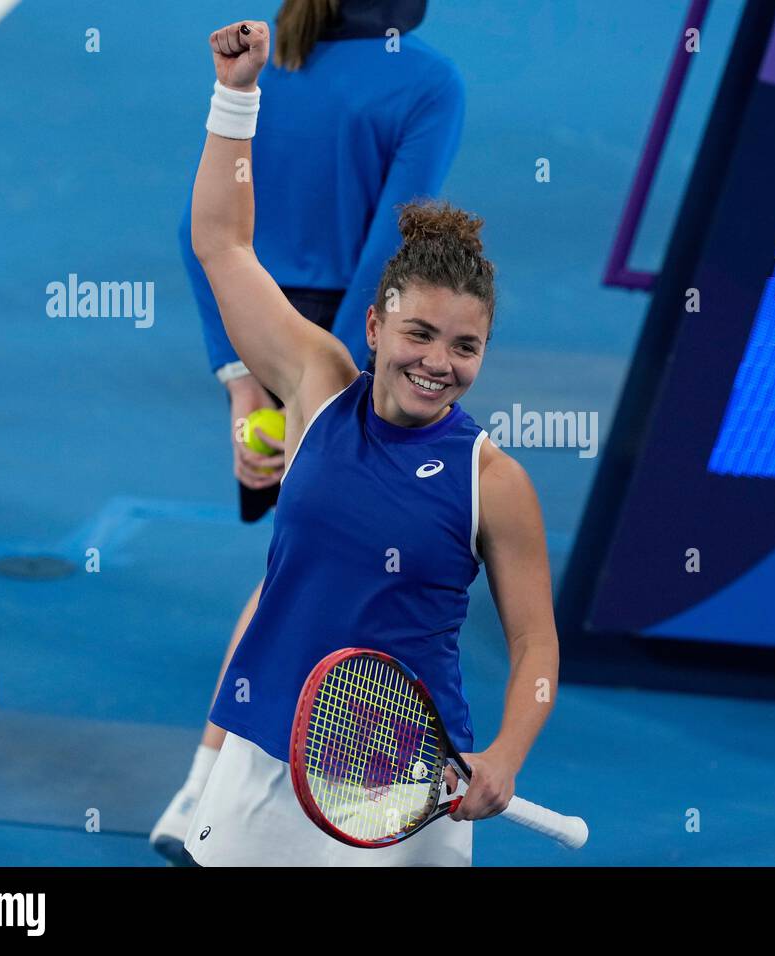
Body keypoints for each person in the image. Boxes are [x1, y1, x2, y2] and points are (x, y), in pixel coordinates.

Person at [178, 19, 558, 866]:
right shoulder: (317, 386)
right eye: (420, 335)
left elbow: (536, 645)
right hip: (262, 763)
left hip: (404, 791)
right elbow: (221, 243)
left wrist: (507, 752)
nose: (439, 364)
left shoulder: (492, 481)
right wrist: (235, 96)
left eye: (466, 347)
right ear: (376, 325)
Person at [150, 0, 464, 862]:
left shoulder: (268, 62)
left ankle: (210, 789)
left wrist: (240, 380)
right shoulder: (429, 82)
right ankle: (205, 788)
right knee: (305, 570)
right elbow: (393, 254)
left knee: (295, 561)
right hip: (345, 340)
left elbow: (206, 234)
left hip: (254, 323)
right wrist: (358, 379)